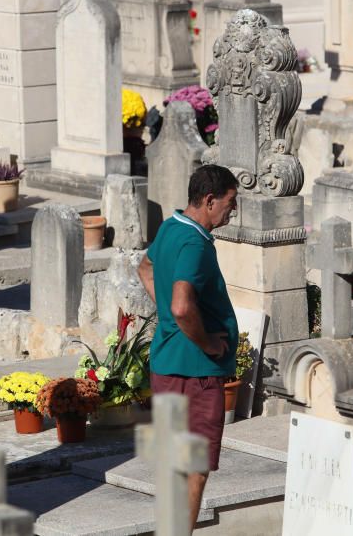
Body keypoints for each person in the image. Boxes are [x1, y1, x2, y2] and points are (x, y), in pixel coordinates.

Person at [137, 164, 240, 534]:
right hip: (196, 373)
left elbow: (145, 268)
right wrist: (210, 341)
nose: (233, 210)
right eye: (230, 202)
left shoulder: (170, 226)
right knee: (194, 473)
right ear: (210, 201)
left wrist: (166, 313)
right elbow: (182, 306)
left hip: (167, 366)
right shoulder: (195, 243)